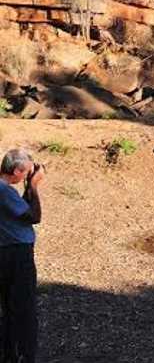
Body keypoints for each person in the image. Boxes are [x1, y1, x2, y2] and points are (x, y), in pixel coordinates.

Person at [0, 149, 44, 363]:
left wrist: (28, 186)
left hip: (7, 252)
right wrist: (34, 186)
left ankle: (10, 353)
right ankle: (24, 354)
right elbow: (34, 216)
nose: (28, 175)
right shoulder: (4, 191)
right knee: (23, 307)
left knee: (8, 307)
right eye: (26, 172)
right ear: (17, 170)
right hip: (16, 256)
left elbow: (23, 212)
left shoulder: (5, 190)